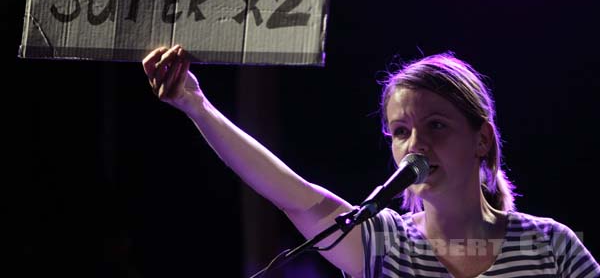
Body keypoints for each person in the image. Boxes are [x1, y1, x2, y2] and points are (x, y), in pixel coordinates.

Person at [142, 44, 600, 278]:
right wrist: (196, 105)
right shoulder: (384, 242)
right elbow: (292, 195)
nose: (415, 145)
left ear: (481, 139)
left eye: (436, 125)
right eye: (401, 132)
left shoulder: (552, 246)